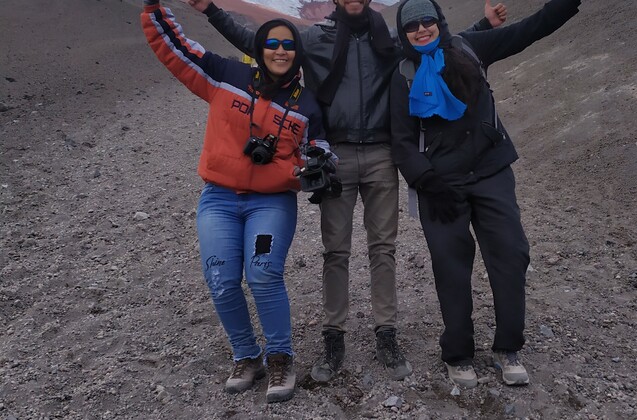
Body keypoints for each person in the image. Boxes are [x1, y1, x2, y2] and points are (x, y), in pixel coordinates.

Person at [186, 0, 509, 383]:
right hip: (335, 154)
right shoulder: (314, 38)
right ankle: (333, 336)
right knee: (335, 251)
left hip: (382, 154)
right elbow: (258, 42)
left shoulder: (389, 39)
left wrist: (484, 24)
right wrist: (211, 10)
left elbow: (437, 44)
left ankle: (386, 333)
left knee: (383, 249)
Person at [141, 0, 336, 402]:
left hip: (271, 204)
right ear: (260, 48)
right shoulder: (226, 76)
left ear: (296, 54)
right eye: (272, 43)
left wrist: (320, 160)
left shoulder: (306, 105)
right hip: (219, 200)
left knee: (263, 271)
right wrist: (152, 8)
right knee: (221, 278)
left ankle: (281, 357)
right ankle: (247, 356)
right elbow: (176, 49)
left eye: (288, 45)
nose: (280, 50)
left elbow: (317, 149)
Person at [389, 0, 581, 388]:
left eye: (428, 20)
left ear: (439, 21)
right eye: (412, 25)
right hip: (440, 186)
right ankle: (458, 353)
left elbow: (529, 29)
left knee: (511, 253)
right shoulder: (402, 74)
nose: (422, 29)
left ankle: (508, 347)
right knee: (451, 267)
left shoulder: (469, 48)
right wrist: (427, 182)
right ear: (404, 33)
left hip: (491, 171)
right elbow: (401, 141)